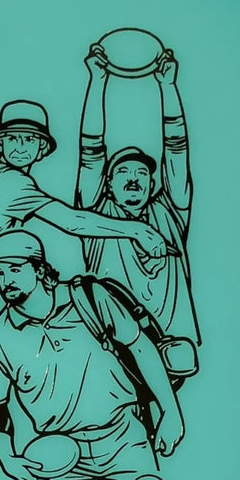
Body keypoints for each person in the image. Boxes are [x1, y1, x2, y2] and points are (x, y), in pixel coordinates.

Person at [0, 231, 184, 480]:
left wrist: (171, 412)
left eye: (14, 269)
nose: (5, 280)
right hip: (61, 457)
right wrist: (6, 458)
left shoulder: (88, 296)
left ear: (39, 270)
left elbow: (141, 347)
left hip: (124, 437)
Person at [0, 99, 168, 314]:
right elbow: (72, 222)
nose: (21, 147)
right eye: (12, 138)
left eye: (29, 139)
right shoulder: (7, 180)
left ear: (42, 147)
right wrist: (137, 230)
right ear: (0, 144)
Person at [75, 44, 200, 346]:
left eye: (141, 173)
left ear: (152, 183)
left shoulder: (170, 214)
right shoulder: (96, 216)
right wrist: (97, 81)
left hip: (176, 350)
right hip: (117, 355)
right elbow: (90, 151)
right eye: (123, 172)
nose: (133, 178)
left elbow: (177, 148)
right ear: (107, 184)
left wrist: (168, 87)